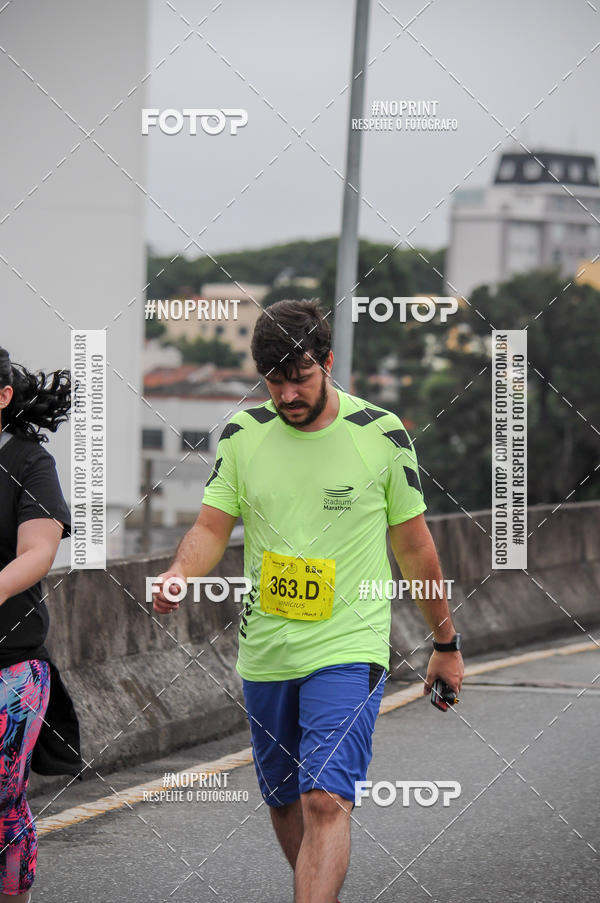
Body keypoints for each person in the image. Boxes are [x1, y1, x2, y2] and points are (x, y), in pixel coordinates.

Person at [152, 300, 464, 903]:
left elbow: (415, 547)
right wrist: (178, 573)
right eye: (275, 380)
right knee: (286, 798)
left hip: (349, 643)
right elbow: (212, 527)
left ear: (327, 362)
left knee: (326, 795)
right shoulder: (244, 433)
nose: (288, 393)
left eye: (301, 377)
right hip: (267, 649)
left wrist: (444, 644)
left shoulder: (380, 433)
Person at [0, 347, 75, 902]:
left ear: (3, 397)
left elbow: (37, 550)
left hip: (12, 666)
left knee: (1, 798)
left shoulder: (28, 461)